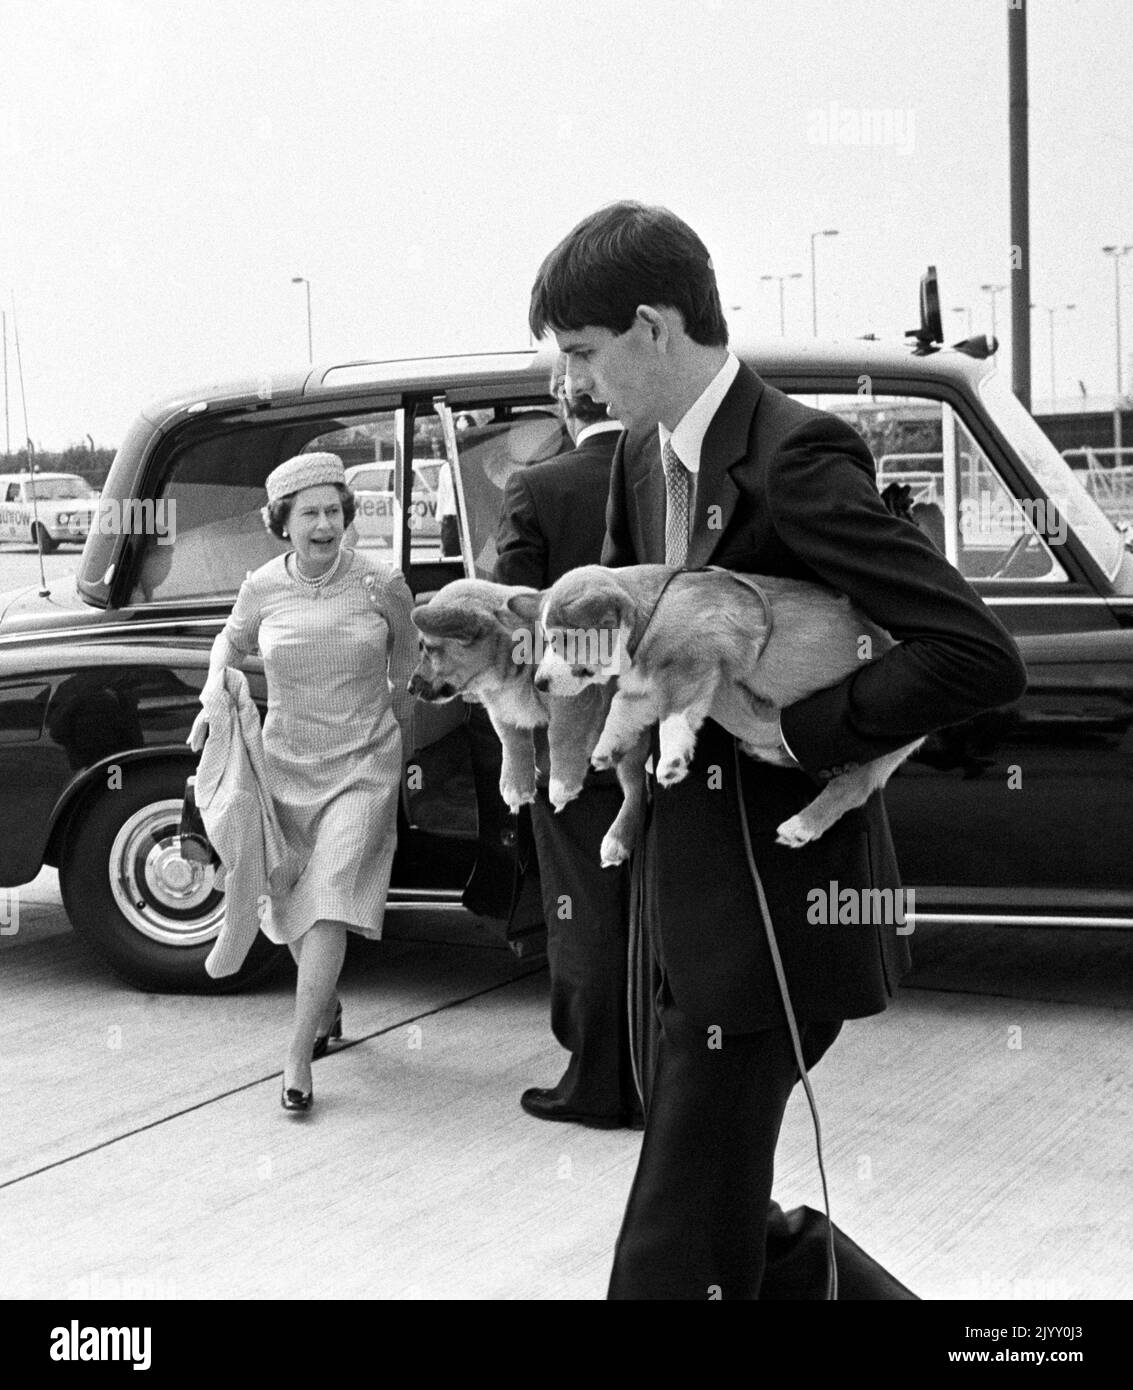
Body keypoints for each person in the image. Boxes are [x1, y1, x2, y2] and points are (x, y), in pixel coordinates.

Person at [528, 202, 1027, 1299]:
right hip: (678, 906)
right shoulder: (633, 462)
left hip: (775, 918)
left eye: (582, 354)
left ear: (652, 327)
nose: (573, 385)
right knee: (727, 1222)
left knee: (668, 1246)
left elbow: (971, 653)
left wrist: (788, 732)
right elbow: (636, 648)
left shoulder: (794, 457)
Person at [194, 452, 415, 1113]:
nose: (325, 524)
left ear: (348, 516)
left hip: (362, 763)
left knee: (329, 897)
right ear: (282, 522)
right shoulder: (262, 586)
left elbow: (405, 662)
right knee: (290, 897)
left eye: (333, 511)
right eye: (309, 513)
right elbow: (229, 644)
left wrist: (399, 726)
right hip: (285, 761)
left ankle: (295, 1057)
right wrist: (214, 684)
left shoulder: (382, 584)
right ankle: (326, 1008)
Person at [494, 360, 641, 1129]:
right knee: (667, 905)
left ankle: (597, 1082)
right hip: (674, 730)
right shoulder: (671, 479)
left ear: (562, 401)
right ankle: (671, 1078)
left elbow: (508, 631)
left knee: (585, 909)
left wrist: (518, 746)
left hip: (575, 746)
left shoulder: (538, 488)